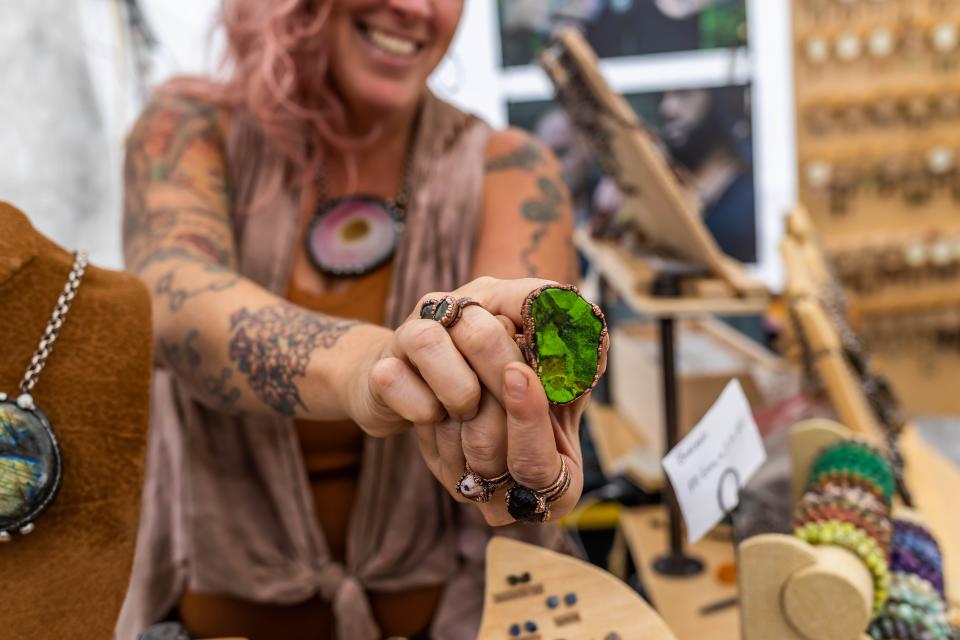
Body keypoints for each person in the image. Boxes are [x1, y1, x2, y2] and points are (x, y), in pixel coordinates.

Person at [117, 2, 605, 639]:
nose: (415, 8)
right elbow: (172, 297)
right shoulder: (187, 129)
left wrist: (521, 385)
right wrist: (373, 369)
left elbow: (519, 357)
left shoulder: (512, 169)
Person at [659, 87, 756, 263]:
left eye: (684, 94)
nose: (668, 108)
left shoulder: (752, 193)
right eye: (663, 96)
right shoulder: (662, 182)